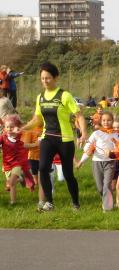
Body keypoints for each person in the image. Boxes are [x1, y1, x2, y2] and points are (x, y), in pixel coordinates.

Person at [21, 62, 87, 211]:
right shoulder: (40, 97)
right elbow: (37, 119)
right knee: (43, 168)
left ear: (55, 77)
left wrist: (83, 133)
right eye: (42, 78)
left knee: (68, 174)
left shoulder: (64, 95)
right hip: (47, 138)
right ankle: (49, 202)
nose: (45, 81)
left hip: (64, 139)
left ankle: (76, 203)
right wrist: (22, 129)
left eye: (48, 78)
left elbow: (79, 116)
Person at [76, 111, 119, 211]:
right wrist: (81, 161)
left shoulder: (115, 135)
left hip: (110, 162)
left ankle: (107, 208)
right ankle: (107, 200)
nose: (106, 122)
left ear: (112, 121)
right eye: (104, 120)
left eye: (109, 120)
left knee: (106, 186)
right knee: (100, 187)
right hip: (97, 162)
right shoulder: (96, 133)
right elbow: (88, 147)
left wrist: (113, 150)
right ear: (100, 121)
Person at [0, 114, 35, 205]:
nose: (9, 129)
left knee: (11, 183)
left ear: (16, 127)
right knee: (12, 184)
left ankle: (13, 200)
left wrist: (35, 144)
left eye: (12, 127)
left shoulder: (19, 136)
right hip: (7, 164)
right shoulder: (3, 137)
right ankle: (19, 181)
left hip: (17, 163)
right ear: (5, 127)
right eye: (7, 127)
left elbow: (25, 135)